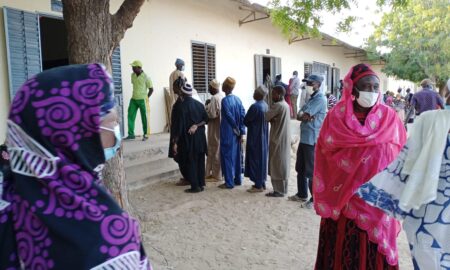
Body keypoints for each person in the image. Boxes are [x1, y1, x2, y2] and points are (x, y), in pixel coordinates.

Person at [0, 64, 151, 269]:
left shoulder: (8, 201)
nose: (116, 132)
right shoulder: (107, 239)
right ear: (77, 133)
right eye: (112, 121)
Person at [312, 63, 407, 269]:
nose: (371, 91)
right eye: (366, 86)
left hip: (378, 202)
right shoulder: (336, 118)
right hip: (345, 202)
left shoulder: (389, 119)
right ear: (352, 88)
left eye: (375, 87)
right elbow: (325, 152)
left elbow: (401, 155)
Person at [357, 109, 450, 269]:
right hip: (427, 210)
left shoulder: (429, 120)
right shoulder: (429, 120)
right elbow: (406, 162)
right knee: (429, 258)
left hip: (428, 209)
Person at [289, 74, 327, 209]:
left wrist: (305, 116)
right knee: (300, 168)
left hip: (312, 139)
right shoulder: (312, 99)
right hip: (305, 138)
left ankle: (314, 200)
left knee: (311, 171)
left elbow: (304, 115)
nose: (308, 86)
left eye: (310, 83)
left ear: (317, 84)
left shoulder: (320, 100)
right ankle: (301, 193)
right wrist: (304, 116)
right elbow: (300, 115)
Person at [172, 83, 208, 193]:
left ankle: (195, 187)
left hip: (188, 139)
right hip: (201, 139)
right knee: (200, 161)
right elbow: (206, 120)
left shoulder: (181, 107)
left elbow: (179, 126)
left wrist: (175, 142)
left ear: (182, 93)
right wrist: (197, 125)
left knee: (191, 161)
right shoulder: (199, 105)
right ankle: (201, 184)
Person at [219, 77, 246, 189]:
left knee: (227, 156)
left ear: (225, 88)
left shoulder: (224, 101)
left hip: (228, 132)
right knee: (237, 156)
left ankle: (229, 182)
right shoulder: (238, 100)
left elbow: (229, 116)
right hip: (237, 133)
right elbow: (242, 115)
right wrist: (241, 131)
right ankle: (238, 180)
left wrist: (235, 127)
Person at [265, 85, 291, 197]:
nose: (272, 96)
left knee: (277, 164)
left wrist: (271, 118)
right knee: (282, 163)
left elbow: (265, 117)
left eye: (273, 94)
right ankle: (283, 189)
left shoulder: (278, 105)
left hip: (277, 138)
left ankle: (278, 191)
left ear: (279, 95)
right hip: (283, 138)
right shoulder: (286, 105)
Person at [244, 86, 269, 193]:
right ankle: (262, 183)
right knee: (262, 159)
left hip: (255, 137)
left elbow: (246, 120)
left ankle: (258, 185)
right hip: (263, 136)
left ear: (258, 95)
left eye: (255, 92)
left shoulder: (255, 107)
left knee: (255, 159)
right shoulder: (266, 106)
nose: (253, 93)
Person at [125, 60, 153, 141]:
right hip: (133, 99)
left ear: (139, 68)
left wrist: (146, 98)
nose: (132, 68)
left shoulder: (146, 77)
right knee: (130, 115)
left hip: (143, 100)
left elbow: (151, 89)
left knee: (144, 117)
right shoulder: (132, 75)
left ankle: (146, 134)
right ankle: (131, 135)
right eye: (132, 67)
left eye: (134, 67)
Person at [169, 76, 190, 186]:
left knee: (181, 156)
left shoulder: (180, 103)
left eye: (174, 87)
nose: (173, 89)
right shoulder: (180, 101)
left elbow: (179, 121)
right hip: (178, 131)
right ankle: (186, 176)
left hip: (179, 133)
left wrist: (175, 139)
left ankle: (187, 177)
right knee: (180, 156)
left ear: (179, 88)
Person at [205, 79, 223, 182]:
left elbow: (211, 114)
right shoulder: (221, 97)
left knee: (214, 150)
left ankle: (216, 175)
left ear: (213, 88)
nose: (208, 89)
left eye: (209, 87)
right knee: (216, 149)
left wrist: (206, 106)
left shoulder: (215, 98)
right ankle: (212, 173)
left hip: (214, 128)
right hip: (219, 127)